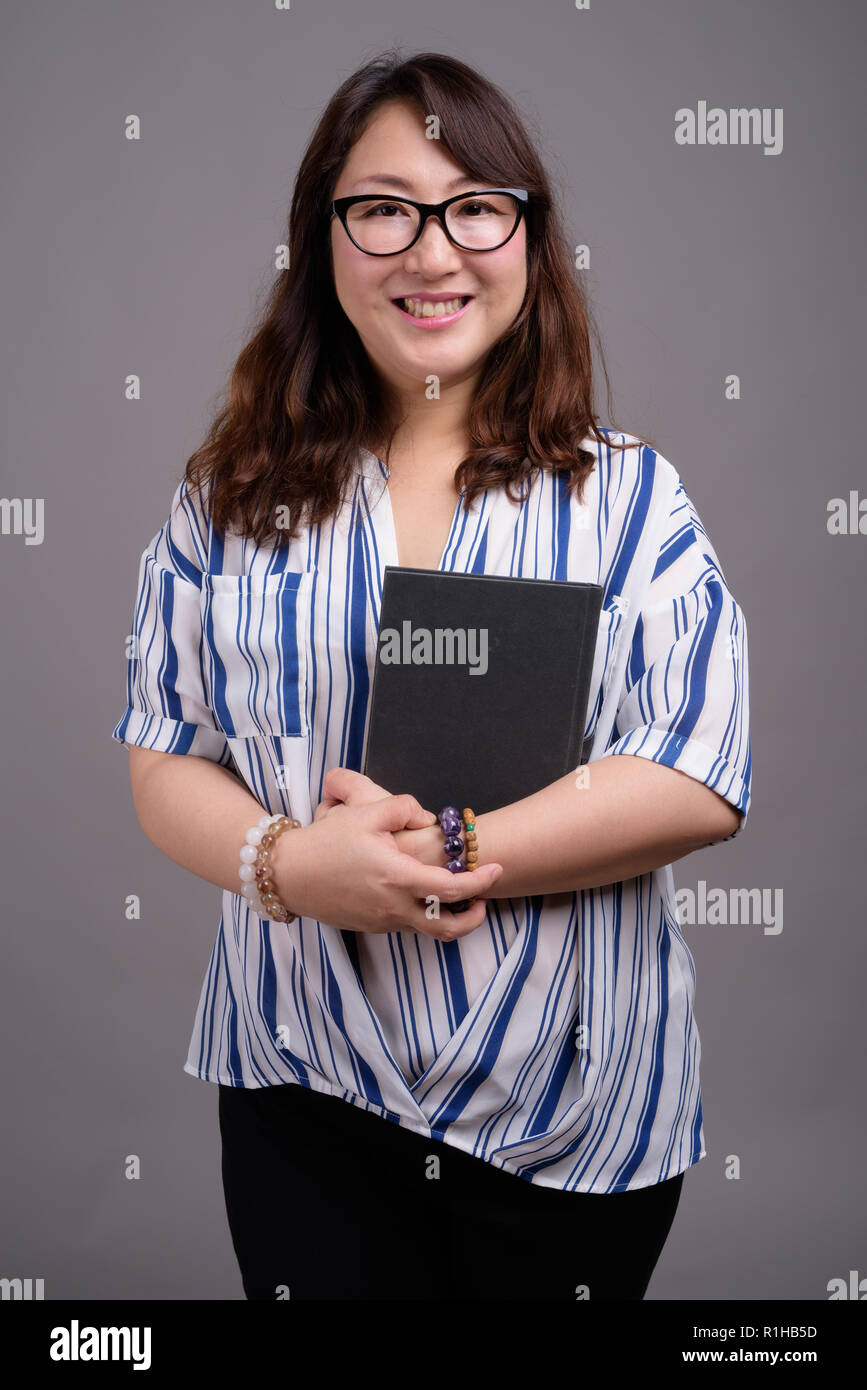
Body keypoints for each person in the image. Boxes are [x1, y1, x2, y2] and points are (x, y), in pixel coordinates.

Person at [111, 49, 751, 1301]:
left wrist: (444, 852)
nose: (432, 251)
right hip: (304, 1085)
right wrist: (292, 866)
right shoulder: (224, 500)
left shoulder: (628, 497)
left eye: (474, 207)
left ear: (527, 235)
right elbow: (162, 748)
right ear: (325, 238)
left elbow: (698, 771)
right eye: (385, 208)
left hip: (569, 1109)